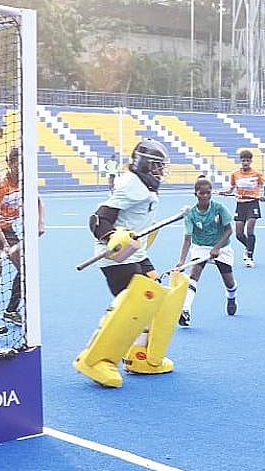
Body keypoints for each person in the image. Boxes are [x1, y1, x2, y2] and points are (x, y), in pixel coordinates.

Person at [74, 138, 188, 387]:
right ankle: (95, 359)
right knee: (133, 306)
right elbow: (98, 220)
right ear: (145, 164)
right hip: (116, 258)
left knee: (157, 298)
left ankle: (140, 357)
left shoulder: (143, 187)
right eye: (157, 166)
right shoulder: (129, 185)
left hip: (137, 253)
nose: (160, 171)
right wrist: (112, 236)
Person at [0, 147, 44, 335]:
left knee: (25, 268)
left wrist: (39, 223)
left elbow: (37, 201)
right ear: (9, 163)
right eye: (16, 165)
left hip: (5, 226)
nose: (20, 169)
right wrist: (4, 245)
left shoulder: (27, 178)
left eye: (23, 165)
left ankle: (10, 311)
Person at [177, 177, 238, 326]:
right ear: (195, 194)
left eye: (208, 193)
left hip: (222, 248)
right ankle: (185, 310)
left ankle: (231, 297)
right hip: (200, 247)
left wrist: (217, 247)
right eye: (201, 193)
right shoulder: (191, 214)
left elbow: (229, 230)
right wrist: (181, 261)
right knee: (193, 275)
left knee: (229, 282)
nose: (205, 196)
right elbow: (187, 239)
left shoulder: (219, 208)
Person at [221, 149, 265, 268]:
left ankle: (249, 256)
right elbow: (231, 188)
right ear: (240, 161)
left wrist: (264, 196)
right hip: (240, 204)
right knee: (239, 234)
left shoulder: (256, 174)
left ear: (251, 161)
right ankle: (248, 246)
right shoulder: (235, 174)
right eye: (243, 160)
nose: (245, 162)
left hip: (253, 203)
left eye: (247, 160)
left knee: (250, 229)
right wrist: (226, 192)